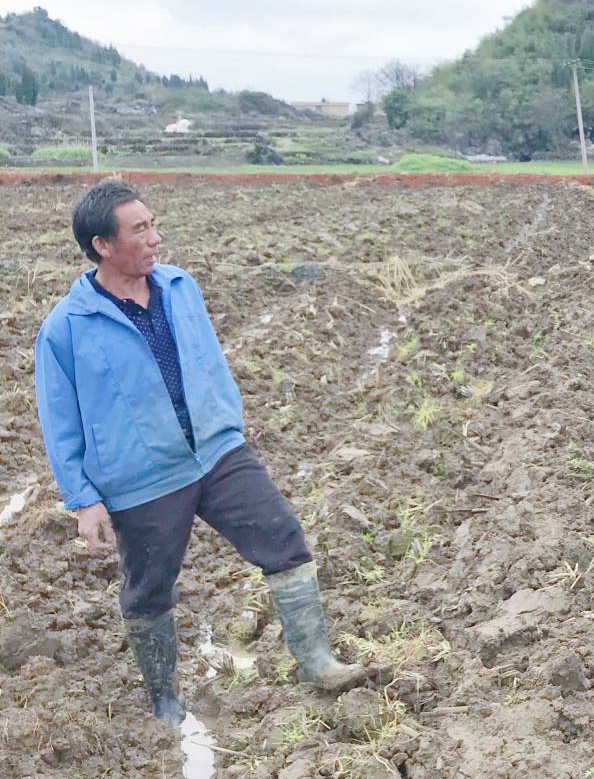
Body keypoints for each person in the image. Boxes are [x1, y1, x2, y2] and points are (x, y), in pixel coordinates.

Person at [34, 179, 364, 728]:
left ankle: (317, 662)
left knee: (283, 539)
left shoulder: (180, 287)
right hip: (142, 476)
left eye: (152, 225)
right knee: (149, 590)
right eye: (140, 230)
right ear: (103, 246)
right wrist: (83, 499)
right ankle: (164, 699)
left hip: (216, 450)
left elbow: (208, 359)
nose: (155, 239)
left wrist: (226, 414)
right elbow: (59, 418)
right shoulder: (66, 328)